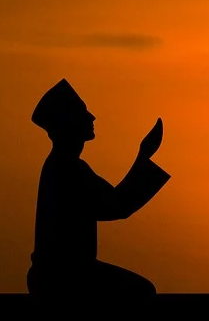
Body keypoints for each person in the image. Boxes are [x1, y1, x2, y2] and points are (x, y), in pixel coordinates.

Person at [26, 79, 171, 297]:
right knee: (142, 292)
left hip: (59, 274)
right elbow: (117, 205)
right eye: (83, 112)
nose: (91, 117)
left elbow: (114, 202)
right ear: (69, 123)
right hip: (64, 277)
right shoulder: (67, 169)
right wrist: (144, 157)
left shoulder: (65, 164)